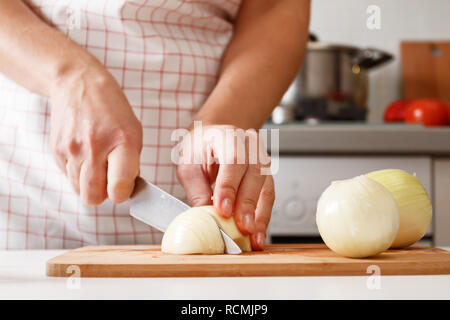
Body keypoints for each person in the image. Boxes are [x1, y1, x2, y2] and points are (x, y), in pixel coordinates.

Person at [0, 0, 310, 250]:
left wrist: (223, 119)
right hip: (26, 197)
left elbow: (275, 7)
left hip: (202, 192)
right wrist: (69, 76)